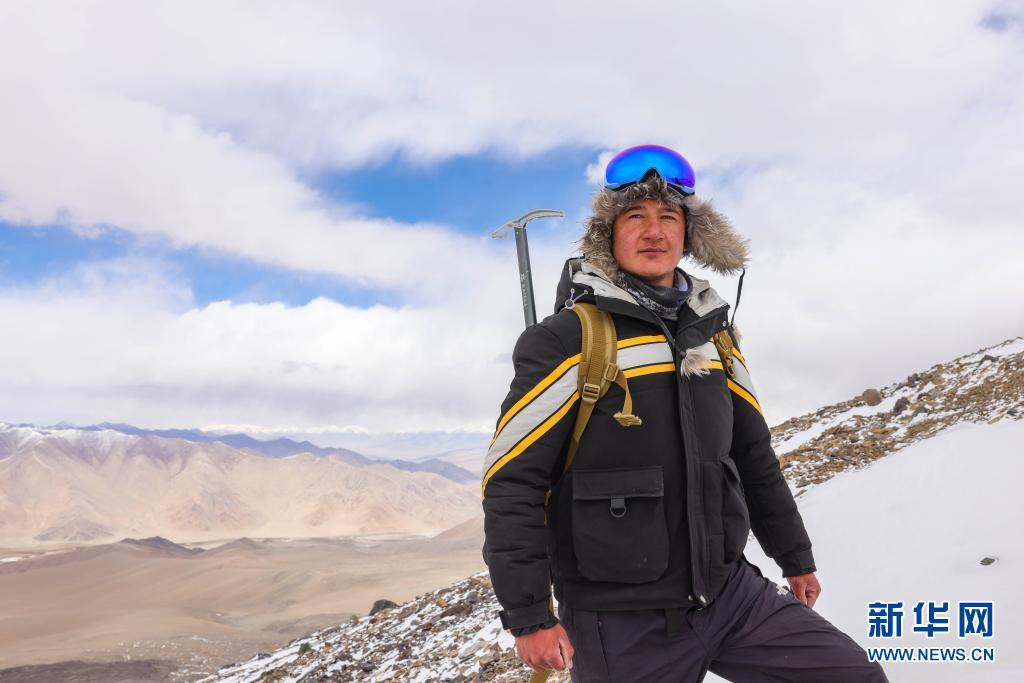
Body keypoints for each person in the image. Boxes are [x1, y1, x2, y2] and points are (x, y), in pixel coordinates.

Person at [480, 145, 888, 682]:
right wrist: (530, 614)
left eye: (669, 217)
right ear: (608, 234)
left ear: (689, 234)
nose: (654, 231)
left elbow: (752, 453)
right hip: (619, 621)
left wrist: (794, 556)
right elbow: (513, 481)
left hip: (730, 595)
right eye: (635, 217)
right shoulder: (568, 339)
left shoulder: (712, 334)